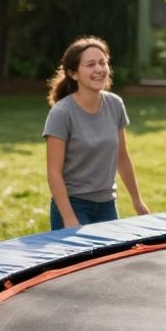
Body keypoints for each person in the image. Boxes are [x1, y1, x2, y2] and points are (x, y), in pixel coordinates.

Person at [43, 37, 149, 229]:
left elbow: (122, 157)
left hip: (107, 205)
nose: (99, 69)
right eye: (90, 65)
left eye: (102, 63)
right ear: (73, 74)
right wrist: (69, 218)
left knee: (111, 260)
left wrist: (137, 200)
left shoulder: (114, 104)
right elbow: (54, 172)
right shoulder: (61, 113)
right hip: (73, 205)